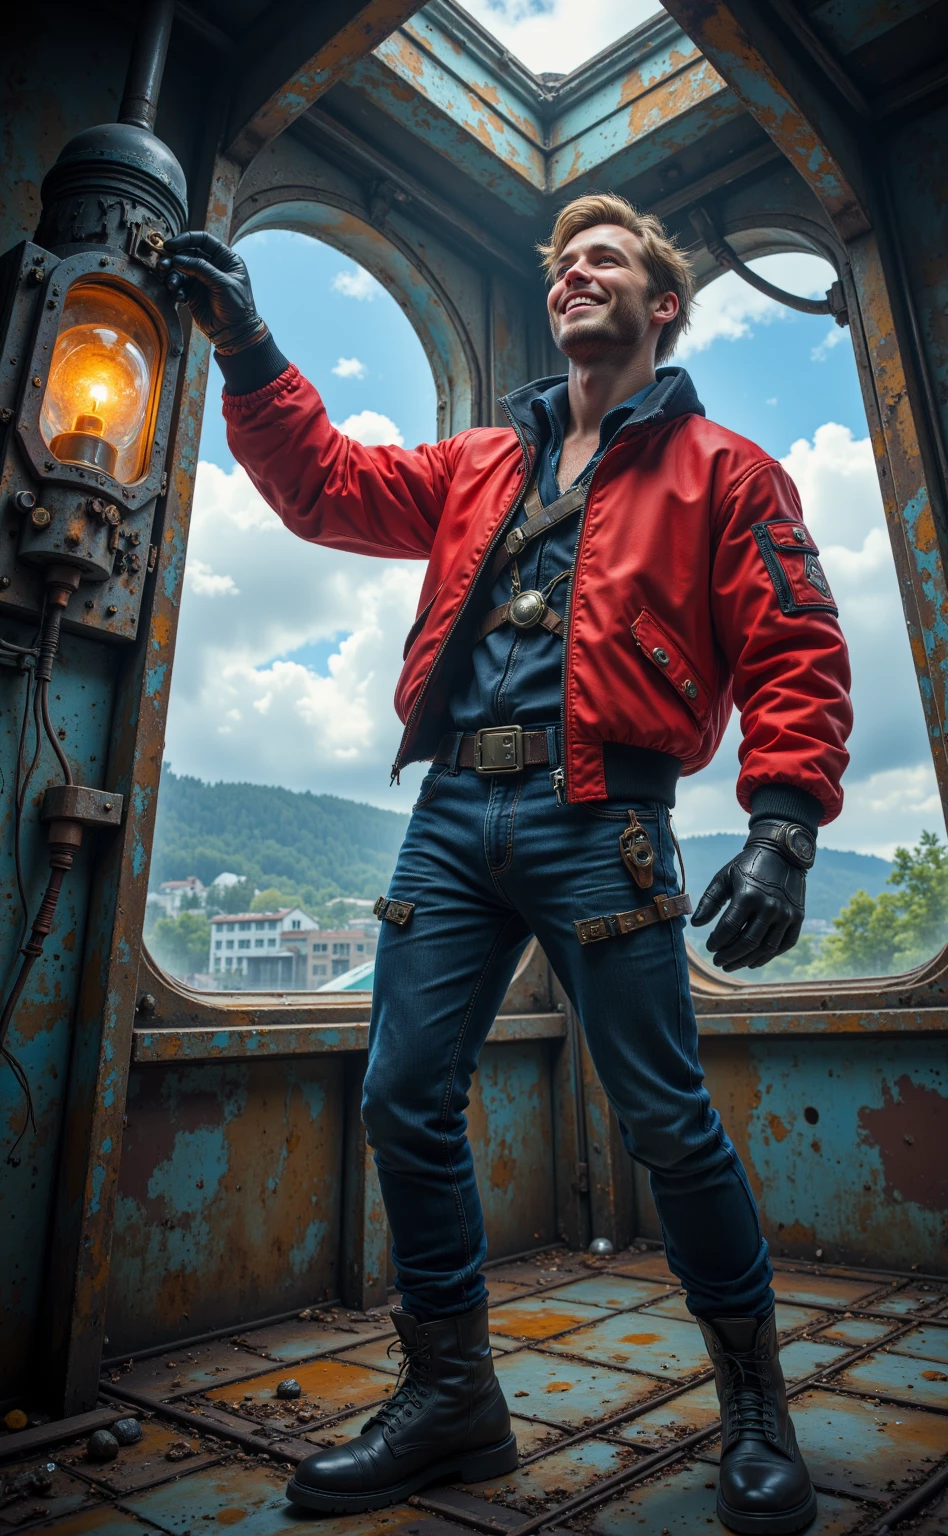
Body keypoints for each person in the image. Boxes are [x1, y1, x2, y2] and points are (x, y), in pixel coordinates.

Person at [161, 193, 851, 1533]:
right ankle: (455, 1397)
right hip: (451, 821)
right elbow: (332, 488)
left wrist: (782, 825)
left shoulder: (729, 472)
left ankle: (755, 1408)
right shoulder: (482, 463)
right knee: (402, 1094)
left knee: (662, 1117)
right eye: (561, 264)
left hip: (604, 817)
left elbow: (795, 649)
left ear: (662, 306)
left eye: (605, 261)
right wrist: (248, 345)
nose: (573, 276)